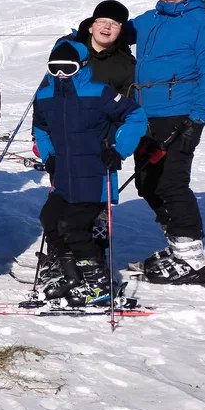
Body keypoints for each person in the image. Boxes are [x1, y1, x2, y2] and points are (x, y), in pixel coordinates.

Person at [131, 0, 205, 283]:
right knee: (146, 183)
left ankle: (192, 257)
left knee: (171, 182)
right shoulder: (148, 20)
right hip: (142, 115)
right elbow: (110, 29)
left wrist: (196, 120)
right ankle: (178, 246)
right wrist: (76, 39)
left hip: (179, 114)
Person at [33, 40, 146, 303]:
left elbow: (136, 116)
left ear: (82, 67)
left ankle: (99, 283)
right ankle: (73, 276)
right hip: (63, 175)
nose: (61, 74)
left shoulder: (99, 92)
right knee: (50, 218)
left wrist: (119, 149)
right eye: (55, 68)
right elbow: (41, 128)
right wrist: (49, 155)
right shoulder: (44, 96)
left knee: (72, 226)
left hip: (94, 174)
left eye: (68, 68)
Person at [69, 0, 136, 96]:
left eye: (114, 24)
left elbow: (127, 105)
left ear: (120, 33)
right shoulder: (71, 53)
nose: (107, 27)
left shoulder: (127, 65)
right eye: (101, 21)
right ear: (90, 28)